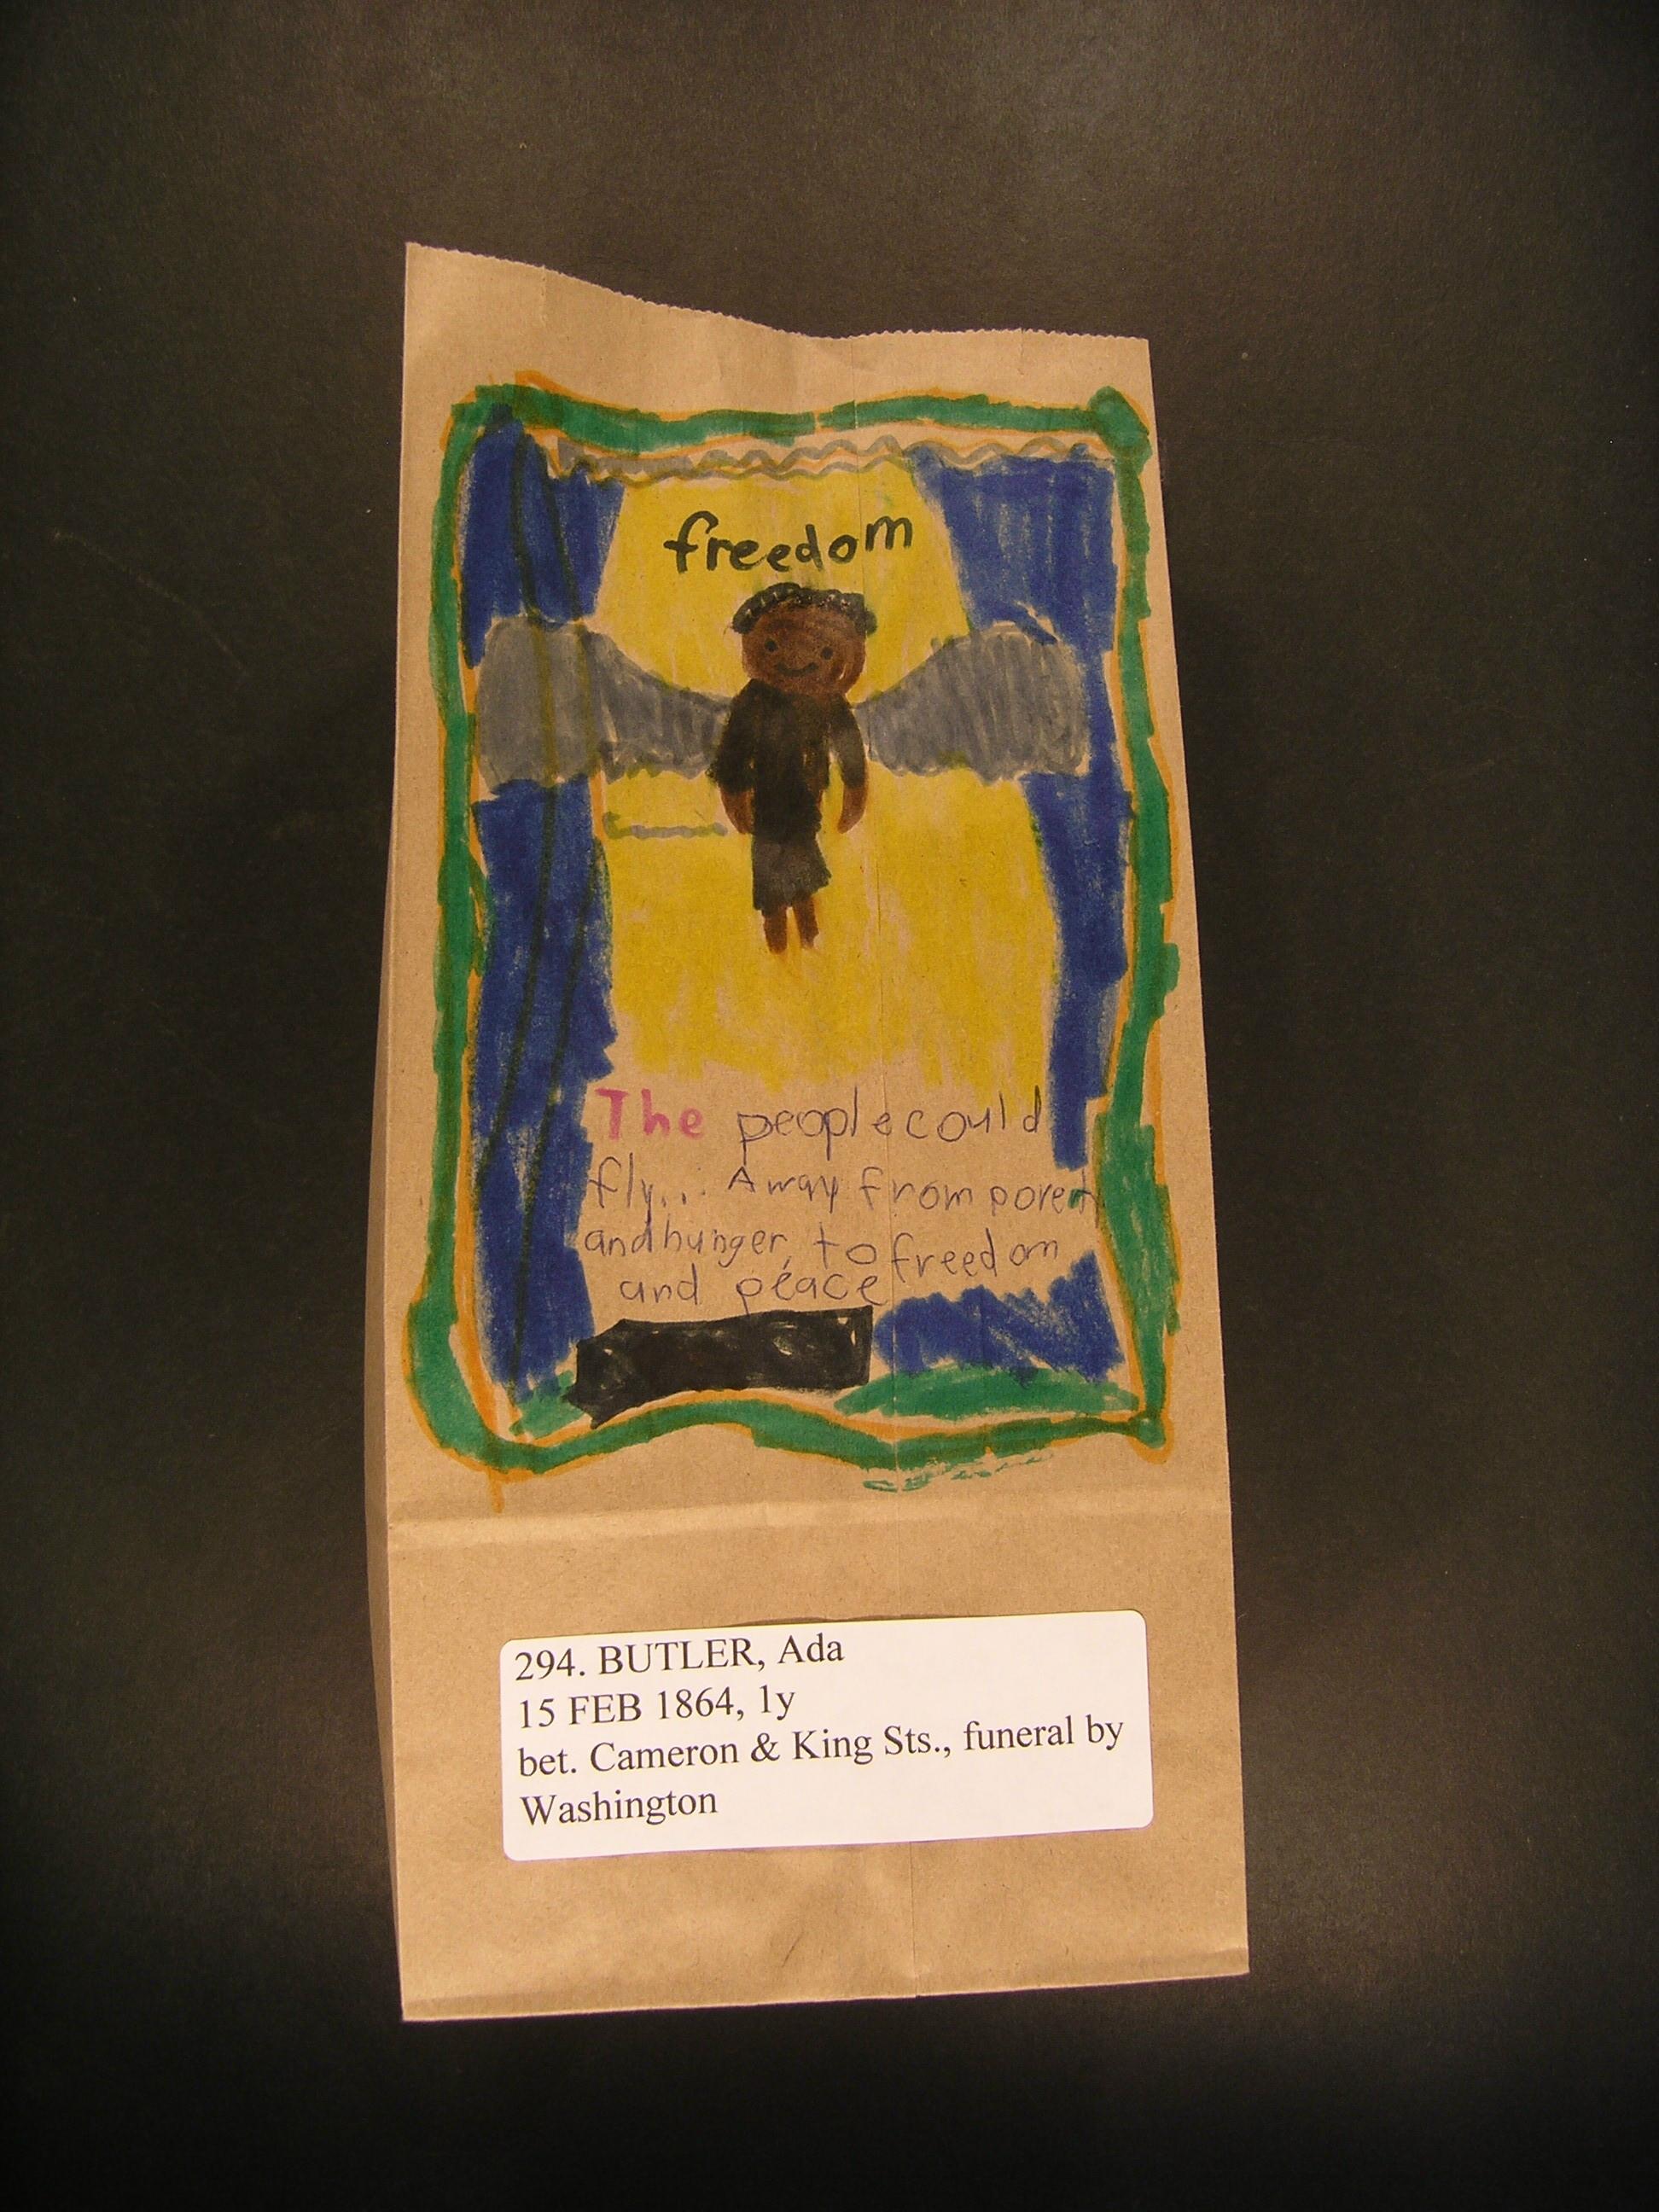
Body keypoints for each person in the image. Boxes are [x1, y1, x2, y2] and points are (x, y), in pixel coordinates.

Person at [711, 583, 874, 952]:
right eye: (774, 646)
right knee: (772, 896)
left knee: (803, 886)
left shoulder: (827, 700)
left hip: (804, 812)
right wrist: (734, 795)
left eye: (823, 652)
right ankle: (780, 953)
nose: (798, 660)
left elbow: (849, 747)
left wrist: (855, 790)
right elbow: (734, 752)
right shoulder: (754, 699)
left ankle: (809, 948)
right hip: (766, 812)